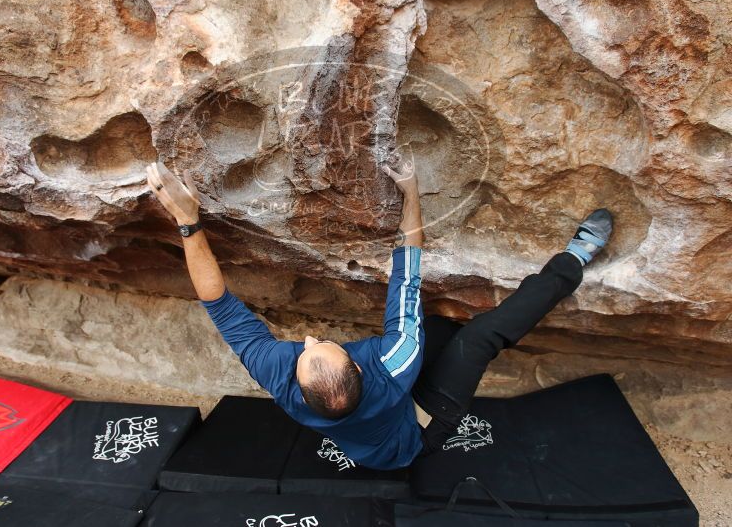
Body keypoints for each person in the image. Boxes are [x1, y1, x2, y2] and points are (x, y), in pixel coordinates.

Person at [146, 160, 613, 470]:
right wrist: (411, 190)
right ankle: (574, 259)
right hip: (419, 433)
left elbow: (219, 304)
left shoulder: (279, 375)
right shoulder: (395, 361)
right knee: (479, 339)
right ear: (356, 365)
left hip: (375, 427)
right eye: (319, 347)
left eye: (306, 352)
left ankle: (447, 340)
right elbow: (407, 270)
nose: (308, 340)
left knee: (438, 330)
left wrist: (188, 222)